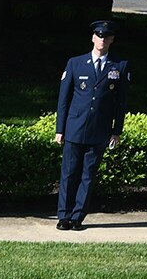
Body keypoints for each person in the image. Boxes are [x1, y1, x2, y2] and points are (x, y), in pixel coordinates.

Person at [55, 19, 129, 231]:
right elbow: (64, 99)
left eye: (106, 36)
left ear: (112, 39)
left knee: (88, 175)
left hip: (100, 129)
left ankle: (78, 217)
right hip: (75, 128)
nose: (102, 40)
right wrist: (60, 129)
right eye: (98, 35)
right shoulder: (76, 63)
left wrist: (117, 131)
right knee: (69, 174)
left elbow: (121, 102)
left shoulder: (120, 65)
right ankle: (64, 216)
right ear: (92, 37)